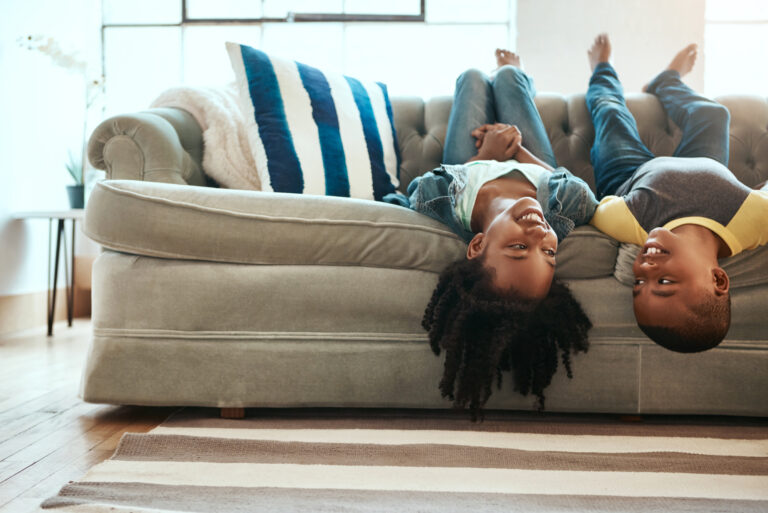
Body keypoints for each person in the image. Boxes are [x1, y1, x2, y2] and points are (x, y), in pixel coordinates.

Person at [386, 50, 596, 419]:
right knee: (510, 80)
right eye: (548, 253)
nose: (539, 234)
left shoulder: (438, 201)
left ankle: (495, 79)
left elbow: (421, 184)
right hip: (528, 159)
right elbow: (571, 182)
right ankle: (513, 73)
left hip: (472, 163)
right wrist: (517, 151)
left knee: (469, 76)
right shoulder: (566, 208)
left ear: (478, 245)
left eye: (519, 247)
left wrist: (486, 154)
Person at [585, 34, 768, 353]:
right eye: (665, 283)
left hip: (630, 173)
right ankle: (666, 81)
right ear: (718, 280)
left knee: (611, 113)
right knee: (714, 115)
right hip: (703, 163)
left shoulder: (631, 223)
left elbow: (597, 206)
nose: (643, 270)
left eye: (638, 284)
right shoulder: (755, 222)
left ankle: (602, 68)